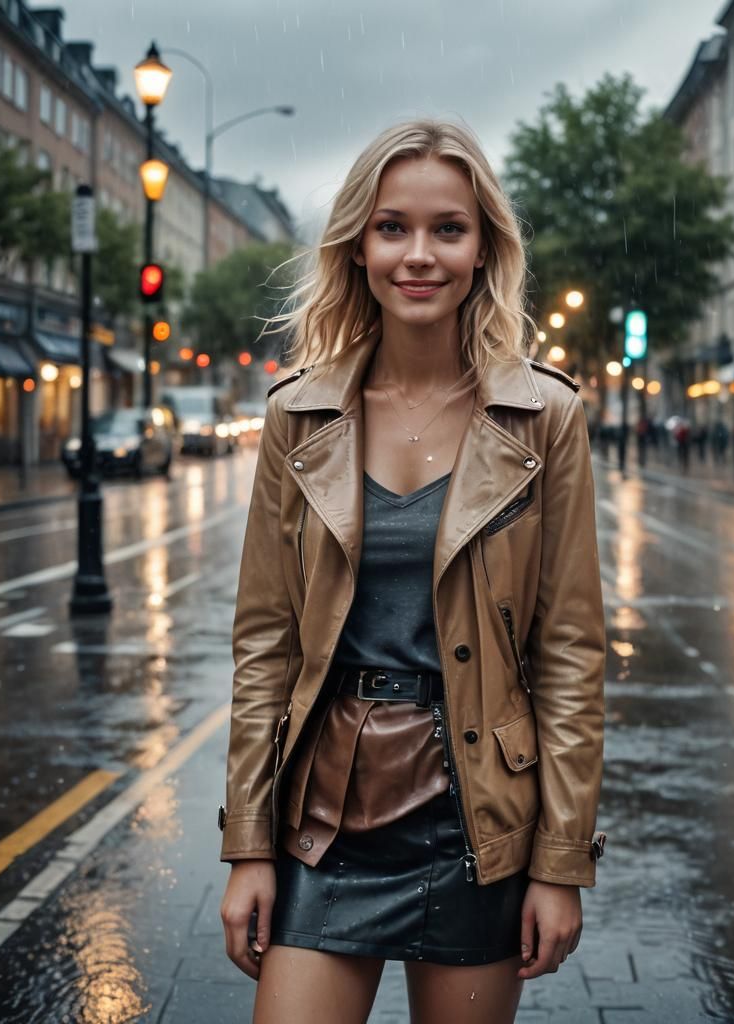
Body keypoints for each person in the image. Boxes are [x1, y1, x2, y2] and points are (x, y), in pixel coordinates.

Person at [218, 120, 607, 1024]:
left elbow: (570, 656)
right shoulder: (298, 417)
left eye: (448, 229)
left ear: (483, 250)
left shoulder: (543, 417)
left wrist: (559, 861)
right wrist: (247, 846)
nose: (419, 255)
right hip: (326, 818)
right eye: (393, 227)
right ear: (358, 246)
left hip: (477, 815)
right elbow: (265, 646)